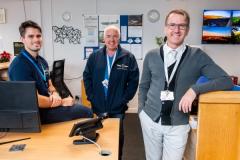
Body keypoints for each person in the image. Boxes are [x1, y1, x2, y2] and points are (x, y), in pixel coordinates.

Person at [138, 9, 233, 160]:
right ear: (165, 28)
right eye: (172, 25)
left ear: (187, 30)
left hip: (178, 125)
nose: (176, 30)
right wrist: (141, 111)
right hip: (150, 119)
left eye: (182, 26)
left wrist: (195, 90)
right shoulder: (152, 55)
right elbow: (143, 86)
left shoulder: (198, 56)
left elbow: (226, 80)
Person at [9, 20, 93, 124]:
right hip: (36, 113)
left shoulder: (42, 61)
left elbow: (49, 84)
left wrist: (55, 93)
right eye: (31, 36)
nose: (36, 39)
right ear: (22, 39)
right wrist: (62, 102)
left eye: (38, 36)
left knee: (80, 108)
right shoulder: (19, 66)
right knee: (86, 112)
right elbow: (34, 100)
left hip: (48, 106)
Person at [83, 25, 139, 158]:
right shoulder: (94, 57)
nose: (111, 39)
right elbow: (87, 77)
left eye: (115, 36)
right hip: (98, 105)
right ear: (104, 38)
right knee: (98, 136)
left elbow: (133, 81)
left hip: (117, 107)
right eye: (108, 36)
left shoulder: (128, 57)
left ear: (119, 38)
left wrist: (123, 99)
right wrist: (91, 97)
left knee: (117, 137)